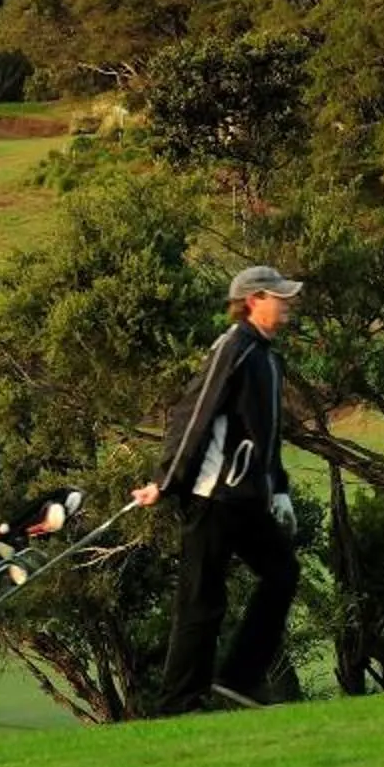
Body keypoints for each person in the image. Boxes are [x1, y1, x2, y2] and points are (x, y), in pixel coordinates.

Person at [133, 266, 304, 715]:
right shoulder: (233, 347)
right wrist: (165, 482)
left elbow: (266, 435)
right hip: (211, 497)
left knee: (283, 573)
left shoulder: (268, 357)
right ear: (253, 301)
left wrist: (279, 488)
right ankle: (178, 704)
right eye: (278, 296)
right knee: (201, 601)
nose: (287, 302)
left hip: (246, 499)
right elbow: (193, 413)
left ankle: (240, 680)